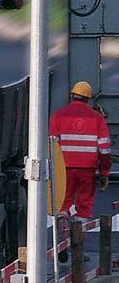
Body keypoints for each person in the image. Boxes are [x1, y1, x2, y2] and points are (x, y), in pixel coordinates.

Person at [49, 81, 112, 221]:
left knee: (63, 201)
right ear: (88, 99)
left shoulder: (58, 115)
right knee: (84, 204)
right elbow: (104, 149)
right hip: (88, 169)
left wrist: (53, 171)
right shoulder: (97, 118)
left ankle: (61, 224)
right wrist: (104, 173)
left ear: (72, 96)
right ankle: (80, 233)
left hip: (64, 168)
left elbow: (52, 144)